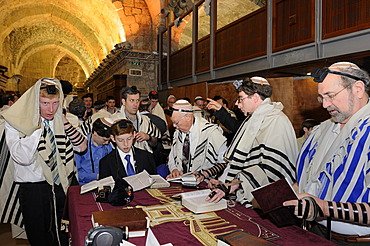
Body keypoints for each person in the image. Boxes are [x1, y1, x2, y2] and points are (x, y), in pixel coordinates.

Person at [283, 62, 370, 244]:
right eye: (321, 98)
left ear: (358, 89)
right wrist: (281, 194)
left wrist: (323, 207)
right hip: (316, 231)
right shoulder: (323, 130)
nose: (325, 105)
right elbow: (309, 181)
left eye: (330, 96)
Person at [3, 78, 87, 246]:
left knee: (64, 231)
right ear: (35, 102)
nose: (51, 109)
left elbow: (82, 146)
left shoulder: (61, 120)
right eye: (45, 103)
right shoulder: (16, 122)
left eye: (55, 103)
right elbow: (22, 158)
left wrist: (63, 121)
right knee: (39, 235)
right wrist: (36, 129)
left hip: (60, 184)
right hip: (34, 187)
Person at [207, 77, 298, 206]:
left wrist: (233, 185)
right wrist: (227, 183)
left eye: (241, 98)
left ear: (255, 97)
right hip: (244, 189)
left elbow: (272, 170)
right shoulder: (254, 118)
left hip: (266, 199)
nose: (238, 104)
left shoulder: (276, 121)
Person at [166, 100, 227, 179]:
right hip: (181, 181)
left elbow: (224, 162)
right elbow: (172, 156)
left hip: (206, 183)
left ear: (188, 117)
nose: (174, 126)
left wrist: (205, 174)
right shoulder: (178, 132)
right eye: (173, 122)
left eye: (176, 122)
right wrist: (174, 169)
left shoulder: (211, 132)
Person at [112, 86, 161, 153]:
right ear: (123, 101)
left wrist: (148, 137)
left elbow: (155, 143)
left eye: (137, 100)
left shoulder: (145, 120)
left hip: (143, 158)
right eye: (132, 100)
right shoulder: (114, 120)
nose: (135, 104)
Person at [75, 118, 112, 185]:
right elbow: (76, 173)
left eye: (109, 140)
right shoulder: (80, 145)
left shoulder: (108, 146)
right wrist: (97, 176)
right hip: (84, 185)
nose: (107, 143)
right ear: (95, 133)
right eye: (104, 140)